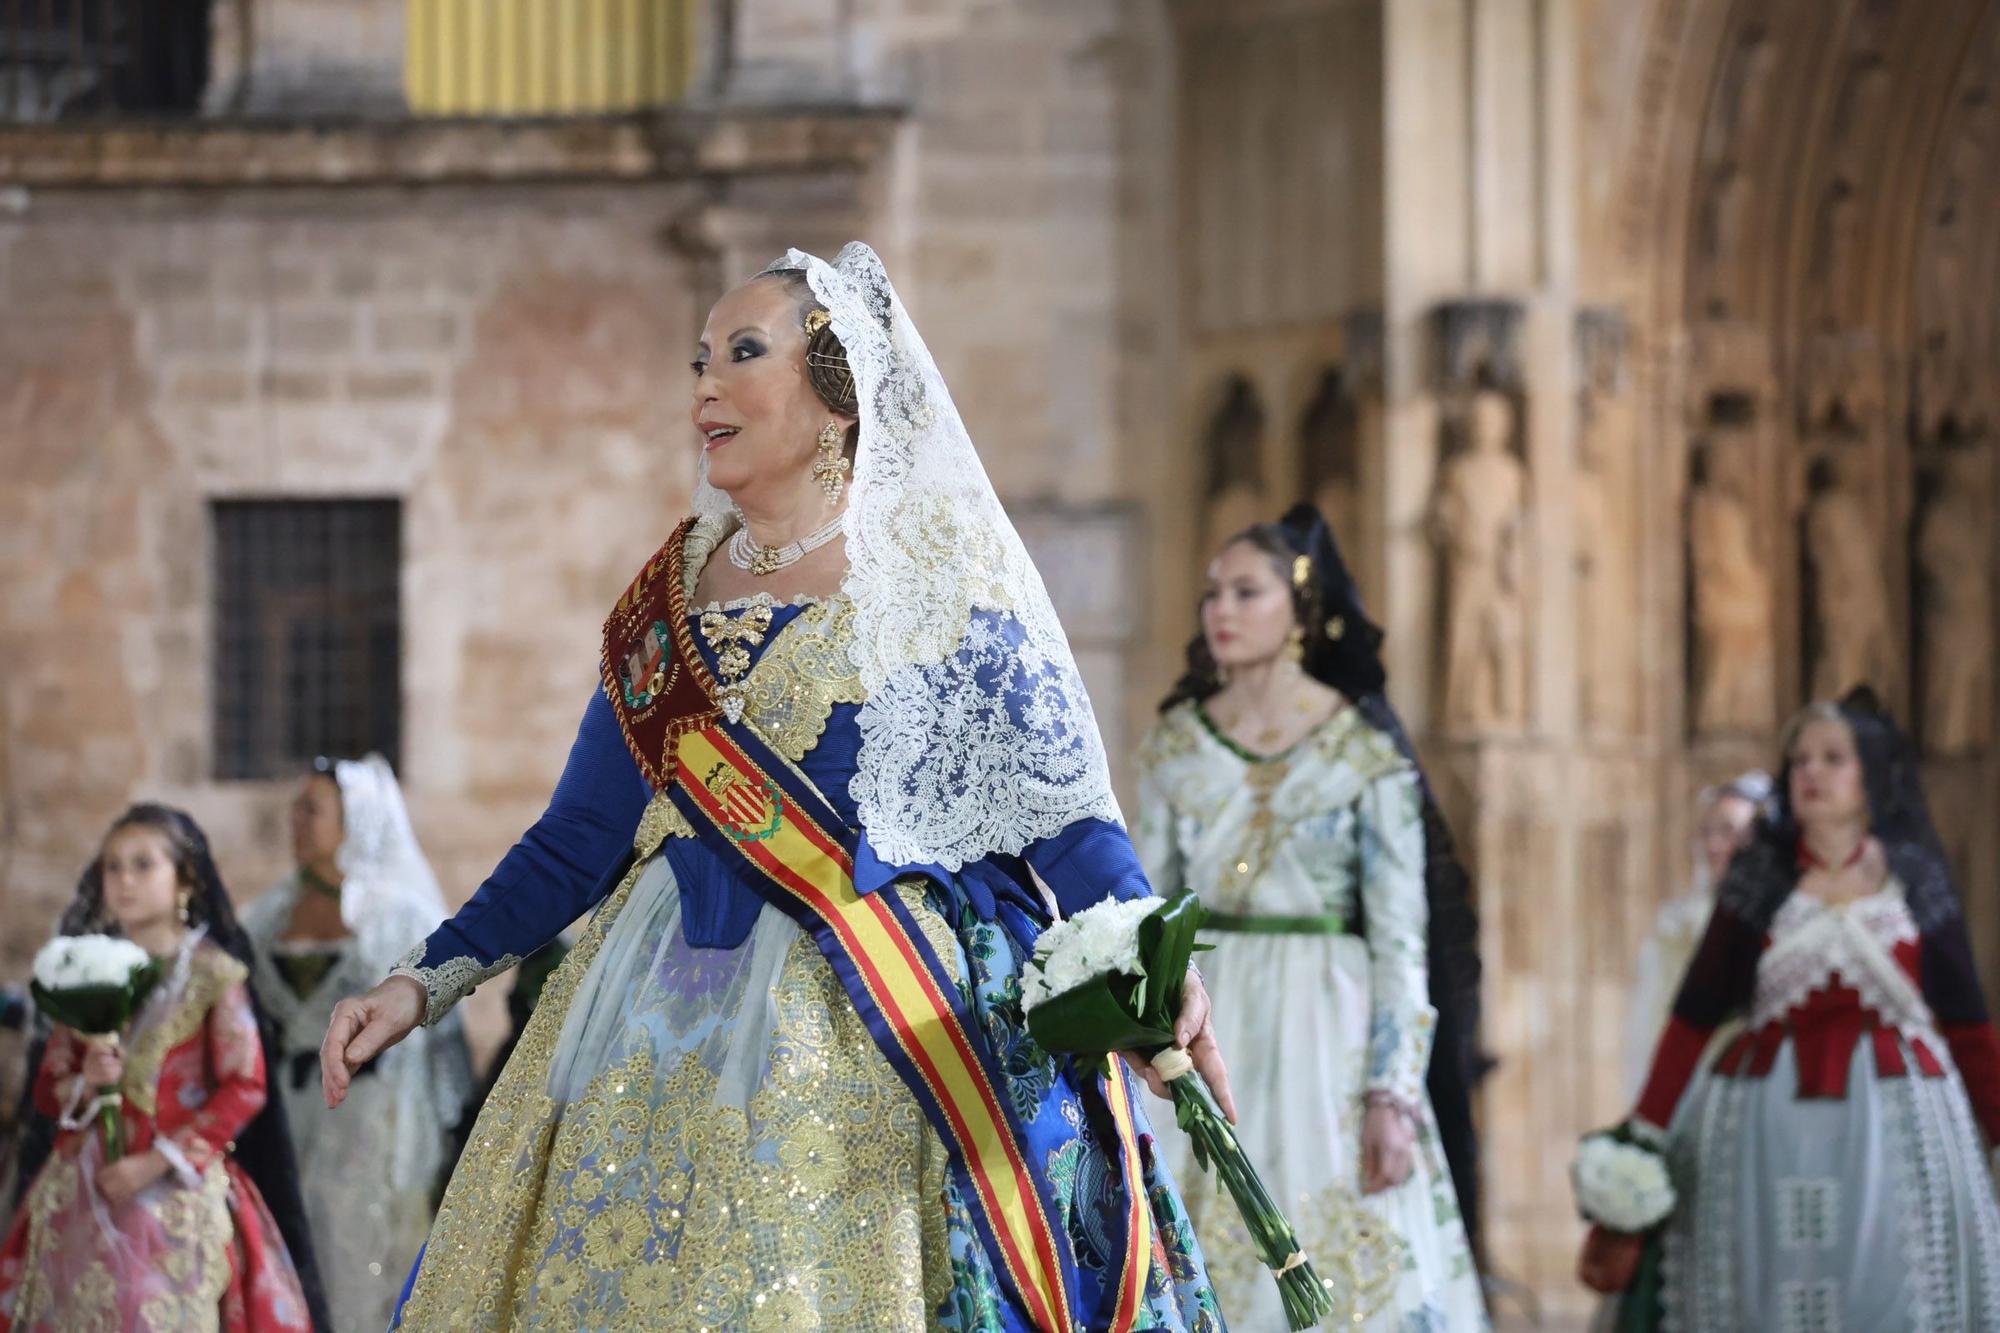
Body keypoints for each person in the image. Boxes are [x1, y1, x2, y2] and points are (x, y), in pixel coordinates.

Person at [319, 243, 1231, 1330]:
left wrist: (1138, 951)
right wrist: (421, 982)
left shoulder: (934, 579)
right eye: (699, 358)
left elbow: (1057, 814)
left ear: (835, 391)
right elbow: (576, 838)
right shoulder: (665, 595)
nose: (706, 383)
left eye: (743, 352)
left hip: (874, 1023)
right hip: (648, 1020)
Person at [1134, 504, 1488, 1330]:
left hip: (1331, 1024)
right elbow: (1149, 907)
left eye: (1246, 592)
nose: (1221, 609)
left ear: (1301, 610)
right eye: (1213, 593)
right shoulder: (1176, 743)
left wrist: (1393, 1094)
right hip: (1209, 1012)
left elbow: (1403, 936)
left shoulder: (1360, 749)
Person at [1580, 689, 2000, 1328]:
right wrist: (1643, 1137)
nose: (1812, 773)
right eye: (1800, 760)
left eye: (1834, 758)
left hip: (1897, 1123)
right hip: (1763, 1122)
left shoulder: (1914, 876)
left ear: (1872, 774)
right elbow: (1693, 1019)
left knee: (1895, 1287)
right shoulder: (1761, 877)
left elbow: (1968, 1023)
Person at [0, 804, 332, 1332]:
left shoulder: (213, 974)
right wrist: (88, 1083)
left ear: (184, 880)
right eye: (112, 867)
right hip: (88, 1183)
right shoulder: (84, 970)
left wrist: (154, 1163)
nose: (124, 881)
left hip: (173, 1185)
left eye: (142, 865)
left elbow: (244, 1084)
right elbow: (51, 1082)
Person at [241, 755, 474, 1331]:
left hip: (372, 1120)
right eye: (297, 806)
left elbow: (443, 1032)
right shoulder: (265, 917)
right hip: (289, 1117)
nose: (296, 819)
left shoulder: (401, 917)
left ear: (356, 820)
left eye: (312, 808)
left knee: (358, 1260)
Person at [1620, 771, 1771, 1098]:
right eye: (1707, 832)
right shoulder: (1677, 924)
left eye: (1729, 831)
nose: (1715, 845)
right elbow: (1656, 1019)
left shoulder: (1783, 918)